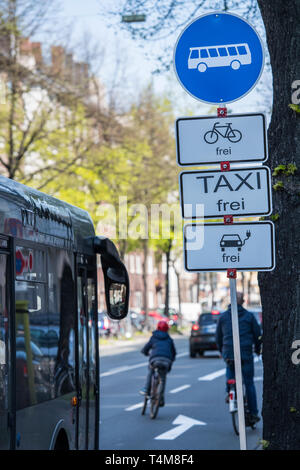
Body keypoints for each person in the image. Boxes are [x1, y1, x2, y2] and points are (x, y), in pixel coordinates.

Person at [216, 292, 262, 424]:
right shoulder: (249, 316)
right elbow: (257, 335)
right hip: (246, 353)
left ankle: (230, 390)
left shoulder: (223, 317)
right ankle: (253, 413)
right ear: (243, 301)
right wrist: (258, 350)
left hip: (228, 352)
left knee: (230, 369)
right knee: (249, 383)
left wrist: (222, 351)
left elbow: (218, 337)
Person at [139, 320, 176, 406]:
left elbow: (146, 348)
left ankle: (147, 390)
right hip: (167, 360)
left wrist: (145, 353)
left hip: (155, 359)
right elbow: (173, 352)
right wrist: (171, 361)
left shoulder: (154, 337)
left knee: (151, 371)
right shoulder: (169, 339)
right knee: (163, 379)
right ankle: (161, 399)